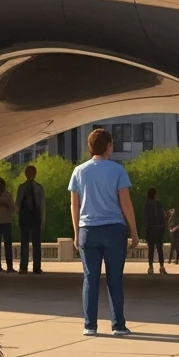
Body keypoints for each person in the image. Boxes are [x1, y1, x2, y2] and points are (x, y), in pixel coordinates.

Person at [68, 128, 138, 336]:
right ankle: (118, 325)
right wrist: (133, 230)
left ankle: (90, 325)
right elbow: (125, 202)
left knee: (90, 278)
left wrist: (76, 232)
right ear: (108, 146)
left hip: (88, 230)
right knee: (115, 278)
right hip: (114, 229)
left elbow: (74, 204)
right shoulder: (117, 170)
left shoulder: (79, 171)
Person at [15, 164, 46, 274]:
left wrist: (42, 219)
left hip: (30, 216)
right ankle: (29, 267)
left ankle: (30, 267)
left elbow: (41, 204)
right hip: (29, 216)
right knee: (30, 243)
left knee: (31, 242)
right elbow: (18, 203)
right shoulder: (26, 187)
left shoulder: (34, 188)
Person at [144, 188, 167, 275]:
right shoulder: (158, 204)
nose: (158, 195)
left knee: (151, 249)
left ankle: (150, 267)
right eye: (156, 193)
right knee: (159, 248)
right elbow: (162, 215)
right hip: (158, 229)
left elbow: (146, 218)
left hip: (150, 229)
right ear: (154, 194)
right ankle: (161, 267)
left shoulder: (147, 204)